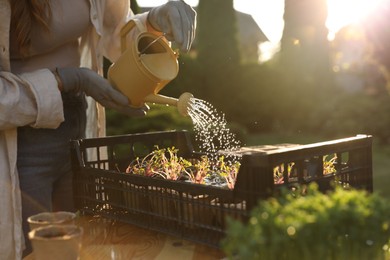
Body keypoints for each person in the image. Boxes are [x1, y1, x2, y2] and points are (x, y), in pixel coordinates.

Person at [0, 0, 196, 259]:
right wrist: (68, 79)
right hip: (17, 141)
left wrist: (153, 22)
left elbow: (117, 32)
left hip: (76, 129)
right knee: (34, 251)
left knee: (83, 246)